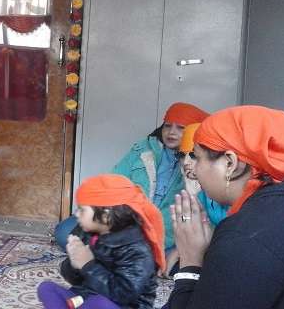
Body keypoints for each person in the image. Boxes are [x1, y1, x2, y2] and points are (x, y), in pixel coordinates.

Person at [166, 105, 284, 308]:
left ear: (230, 163)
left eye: (197, 157)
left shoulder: (248, 233)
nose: (193, 169)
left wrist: (190, 262)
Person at [55, 103, 208, 261]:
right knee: (64, 231)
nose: (171, 132)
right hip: (125, 220)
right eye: (168, 126)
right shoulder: (144, 149)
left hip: (163, 234)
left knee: (187, 256)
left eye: (181, 128)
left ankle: (117, 254)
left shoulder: (198, 163)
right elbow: (114, 179)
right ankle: (121, 254)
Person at [38, 174, 164, 309]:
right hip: (87, 297)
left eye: (82, 210)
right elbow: (75, 280)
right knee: (47, 288)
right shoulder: (86, 233)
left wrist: (88, 265)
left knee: (98, 303)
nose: (77, 215)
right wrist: (74, 263)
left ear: (106, 215)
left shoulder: (137, 250)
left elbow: (123, 295)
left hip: (123, 304)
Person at [178, 123, 229, 226]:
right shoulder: (194, 190)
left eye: (194, 156)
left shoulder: (231, 190)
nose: (186, 162)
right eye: (182, 155)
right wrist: (191, 198)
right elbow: (183, 224)